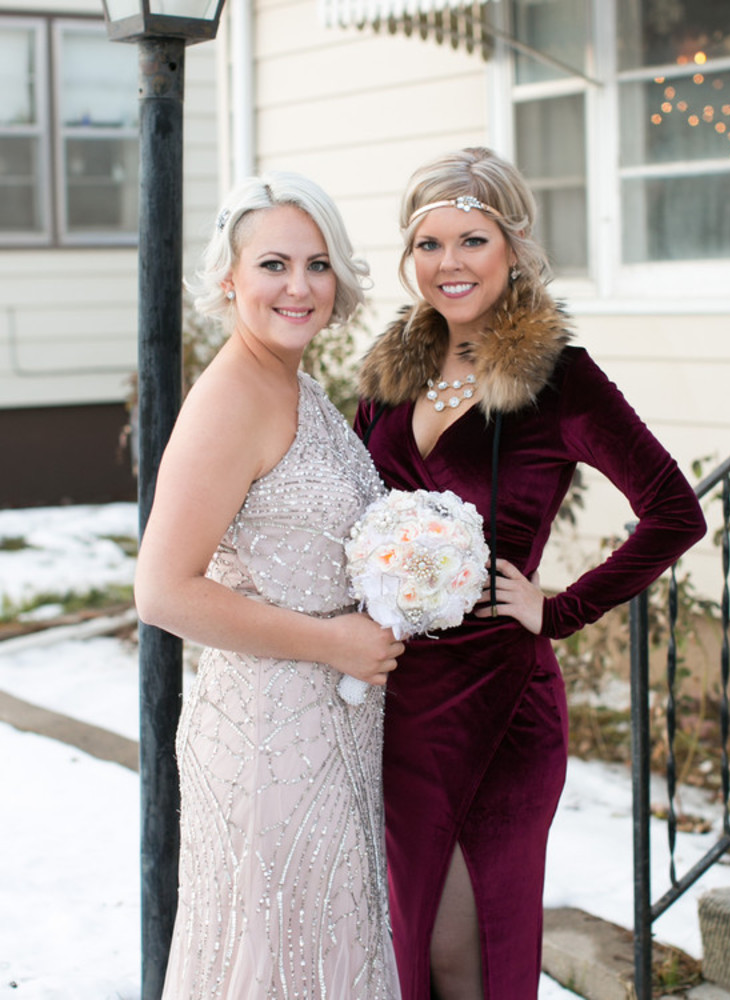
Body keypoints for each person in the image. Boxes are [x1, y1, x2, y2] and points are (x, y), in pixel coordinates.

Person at [354, 146, 706, 1000]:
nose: (449, 265)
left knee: (465, 957)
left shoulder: (560, 380)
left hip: (501, 704)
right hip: (397, 701)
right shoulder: (389, 377)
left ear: (513, 247)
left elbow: (674, 511)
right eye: (429, 245)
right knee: (408, 953)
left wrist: (560, 609)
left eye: (471, 240)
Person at [134, 171, 404, 999]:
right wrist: (335, 641)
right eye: (274, 264)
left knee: (326, 952)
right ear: (229, 277)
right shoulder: (227, 400)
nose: (299, 286)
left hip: (332, 730)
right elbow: (164, 591)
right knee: (276, 958)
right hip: (266, 739)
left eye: (317, 264)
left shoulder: (294, 383)